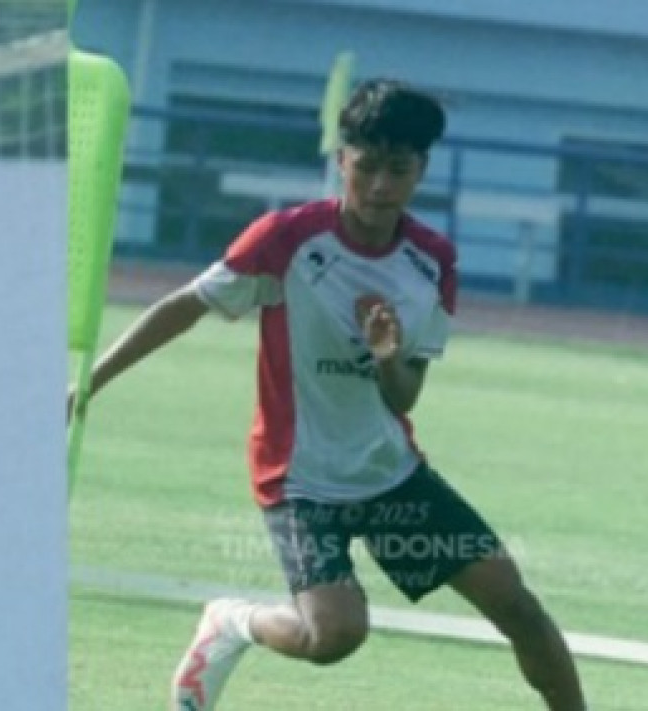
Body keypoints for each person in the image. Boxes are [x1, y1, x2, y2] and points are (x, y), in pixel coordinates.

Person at [73, 79, 588, 711]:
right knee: (334, 635)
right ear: (340, 159)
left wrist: (387, 358)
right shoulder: (285, 239)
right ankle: (231, 622)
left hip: (389, 475)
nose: (378, 186)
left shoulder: (432, 262)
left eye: (397, 170)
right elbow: (185, 307)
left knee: (517, 605)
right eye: (365, 166)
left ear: (421, 171)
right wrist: (93, 380)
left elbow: (403, 399)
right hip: (299, 482)